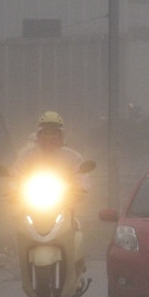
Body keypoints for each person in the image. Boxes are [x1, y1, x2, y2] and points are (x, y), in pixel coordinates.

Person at [15, 111, 91, 280]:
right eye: (46, 133)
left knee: (75, 228)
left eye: (54, 133)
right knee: (20, 227)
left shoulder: (73, 156)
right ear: (39, 135)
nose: (50, 137)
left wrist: (79, 188)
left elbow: (81, 176)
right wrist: (13, 189)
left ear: (61, 135)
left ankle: (75, 268)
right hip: (32, 206)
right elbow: (16, 176)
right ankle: (25, 273)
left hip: (64, 206)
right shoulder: (27, 156)